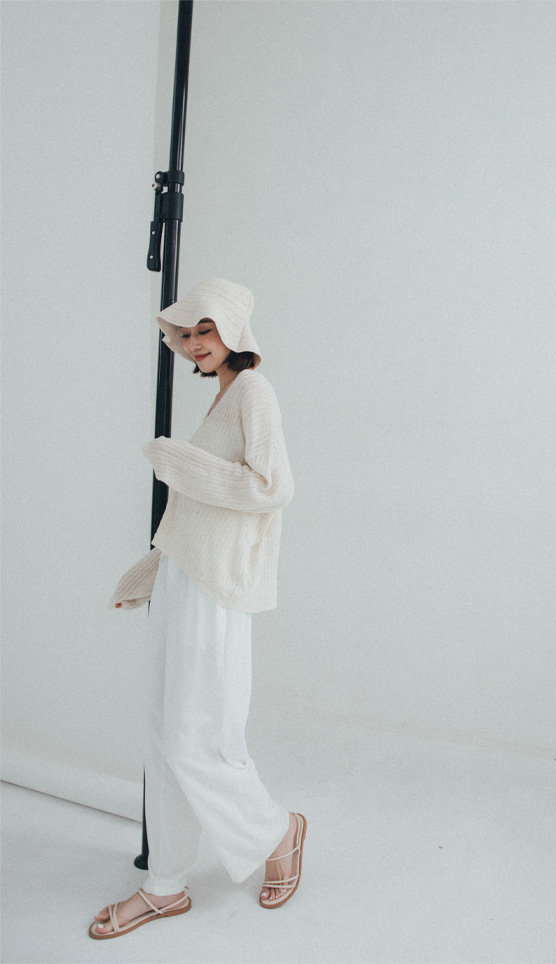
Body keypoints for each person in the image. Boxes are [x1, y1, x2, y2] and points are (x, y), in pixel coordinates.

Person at [89, 278, 305, 940]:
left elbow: (271, 488)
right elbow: (199, 514)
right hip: (184, 582)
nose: (192, 343)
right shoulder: (221, 399)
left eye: (203, 329)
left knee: (197, 736)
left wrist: (175, 462)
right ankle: (166, 884)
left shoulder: (253, 392)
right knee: (163, 733)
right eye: (183, 334)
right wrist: (150, 574)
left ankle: (277, 832)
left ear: (233, 328)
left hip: (216, 591)